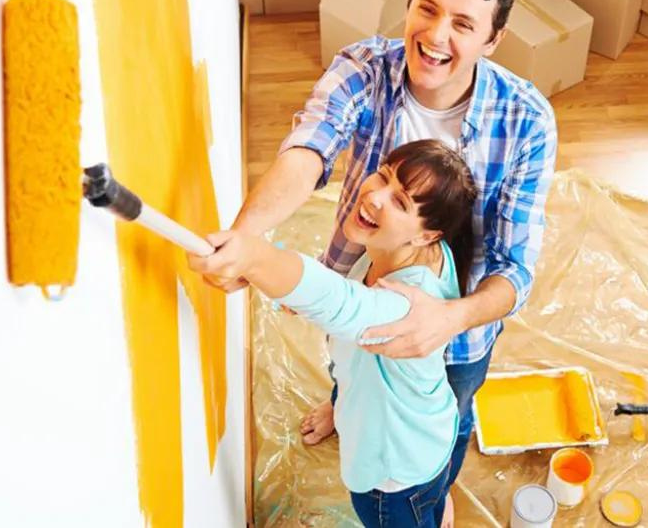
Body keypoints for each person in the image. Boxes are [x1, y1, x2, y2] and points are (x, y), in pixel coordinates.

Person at [205, 0, 558, 525]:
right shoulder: (365, 67)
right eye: (427, 8)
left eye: (464, 24)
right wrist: (244, 238)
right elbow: (309, 150)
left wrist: (448, 320)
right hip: (365, 280)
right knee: (353, 367)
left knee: (448, 411)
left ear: (492, 41)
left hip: (460, 328)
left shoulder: (527, 119)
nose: (436, 35)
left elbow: (515, 267)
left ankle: (432, 493)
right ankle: (347, 410)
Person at [190, 140, 477, 528]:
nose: (375, 197)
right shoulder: (416, 248)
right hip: (429, 437)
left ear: (426, 235)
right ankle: (433, 507)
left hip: (396, 477)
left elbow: (341, 303)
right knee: (427, 503)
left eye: (401, 203)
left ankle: (429, 508)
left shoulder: (409, 304)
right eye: (384, 177)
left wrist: (254, 257)